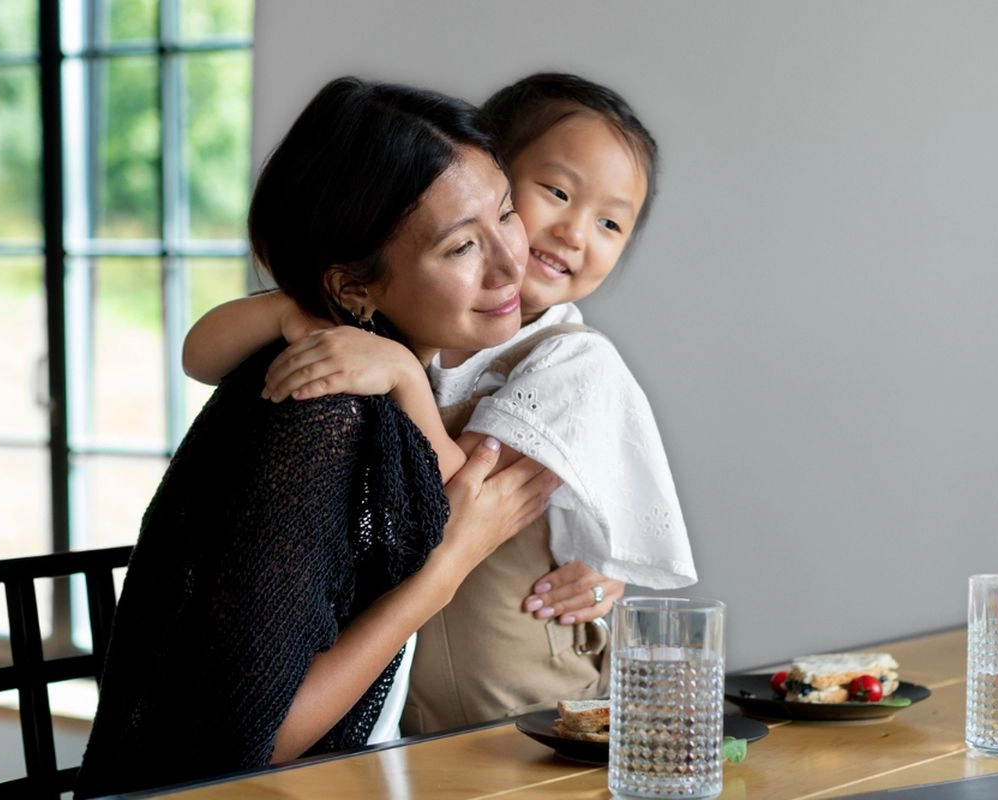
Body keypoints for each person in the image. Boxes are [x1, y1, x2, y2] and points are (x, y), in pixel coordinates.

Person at [72, 76, 561, 799]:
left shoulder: (389, 392)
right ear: (354, 289)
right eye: (461, 248)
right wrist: (446, 569)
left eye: (507, 214)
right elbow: (250, 746)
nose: (511, 261)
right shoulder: (318, 410)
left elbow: (464, 492)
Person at [181, 73, 697, 733]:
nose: (574, 233)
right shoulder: (405, 318)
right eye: (556, 194)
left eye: (610, 222)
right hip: (408, 699)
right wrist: (291, 310)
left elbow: (464, 499)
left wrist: (401, 376)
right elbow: (200, 354)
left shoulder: (572, 360)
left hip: (523, 691)